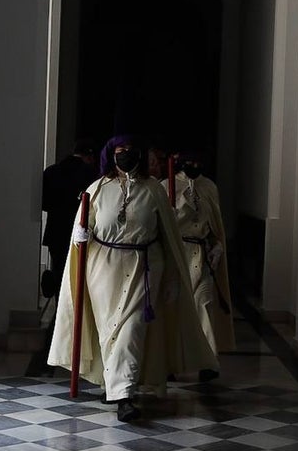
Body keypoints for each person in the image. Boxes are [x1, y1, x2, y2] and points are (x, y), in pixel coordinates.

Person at [47, 134, 217, 421]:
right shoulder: (98, 189)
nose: (126, 155)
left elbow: (167, 237)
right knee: (108, 331)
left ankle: (124, 395)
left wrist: (172, 279)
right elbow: (84, 226)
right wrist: (79, 236)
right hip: (103, 270)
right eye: (120, 150)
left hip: (145, 267)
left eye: (130, 150)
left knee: (132, 330)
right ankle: (113, 383)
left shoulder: (153, 191)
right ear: (110, 155)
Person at [171, 151, 235, 381]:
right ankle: (170, 361)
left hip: (202, 255)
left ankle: (208, 360)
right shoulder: (166, 185)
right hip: (178, 255)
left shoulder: (208, 186)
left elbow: (214, 222)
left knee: (205, 305)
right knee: (174, 310)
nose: (193, 164)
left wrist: (216, 245)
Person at [41, 139, 97, 297]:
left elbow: (44, 203)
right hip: (80, 231)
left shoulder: (51, 172)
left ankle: (58, 310)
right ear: (90, 156)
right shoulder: (90, 175)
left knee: (59, 271)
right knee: (78, 275)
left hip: (55, 231)